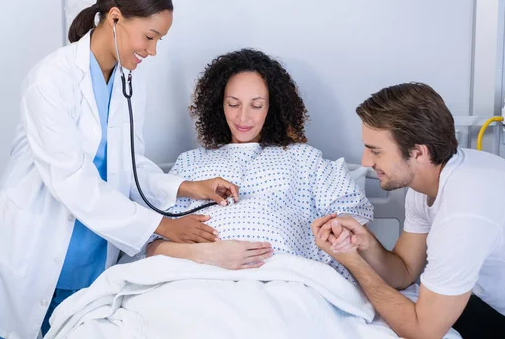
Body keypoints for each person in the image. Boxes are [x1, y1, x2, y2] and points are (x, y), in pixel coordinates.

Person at [0, 0, 242, 339]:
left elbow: (129, 165)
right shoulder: (50, 81)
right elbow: (73, 182)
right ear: (116, 18)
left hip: (91, 265)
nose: (152, 51)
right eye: (149, 37)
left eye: (159, 41)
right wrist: (163, 226)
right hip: (30, 257)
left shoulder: (128, 80)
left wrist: (189, 187)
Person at [312, 83, 505, 339]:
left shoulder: (464, 214)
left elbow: (423, 333)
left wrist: (353, 264)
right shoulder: (429, 181)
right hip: (492, 302)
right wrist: (365, 245)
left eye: (375, 151)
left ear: (418, 152)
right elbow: (403, 272)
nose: (367, 161)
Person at [144, 49, 373, 278]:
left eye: (256, 105)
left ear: (271, 107)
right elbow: (152, 246)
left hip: (285, 277)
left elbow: (350, 219)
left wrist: (339, 230)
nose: (243, 118)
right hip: (197, 275)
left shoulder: (304, 159)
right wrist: (209, 254)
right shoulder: (191, 162)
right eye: (233, 104)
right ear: (218, 105)